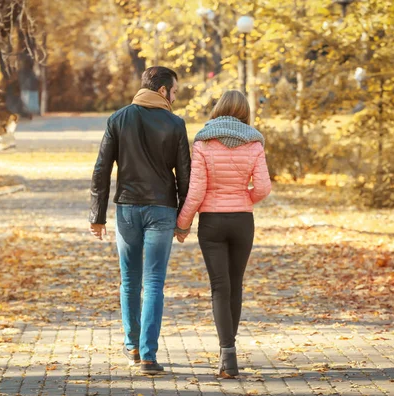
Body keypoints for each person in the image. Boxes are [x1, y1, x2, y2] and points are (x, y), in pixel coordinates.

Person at [89, 66, 191, 375]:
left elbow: (101, 170)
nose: (175, 98)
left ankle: (131, 346)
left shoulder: (119, 119)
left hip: (127, 210)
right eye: (174, 92)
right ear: (162, 91)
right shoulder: (175, 124)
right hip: (161, 211)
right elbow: (185, 176)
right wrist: (183, 219)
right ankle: (148, 355)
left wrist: (98, 215)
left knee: (130, 280)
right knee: (154, 282)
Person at [175, 90, 272, 378]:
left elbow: (196, 191)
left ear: (219, 108)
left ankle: (227, 354)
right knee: (236, 284)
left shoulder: (204, 141)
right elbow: (264, 188)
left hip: (212, 223)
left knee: (220, 286)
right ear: (245, 112)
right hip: (243, 221)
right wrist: (244, 199)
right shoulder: (255, 141)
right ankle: (227, 351)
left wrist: (183, 223)